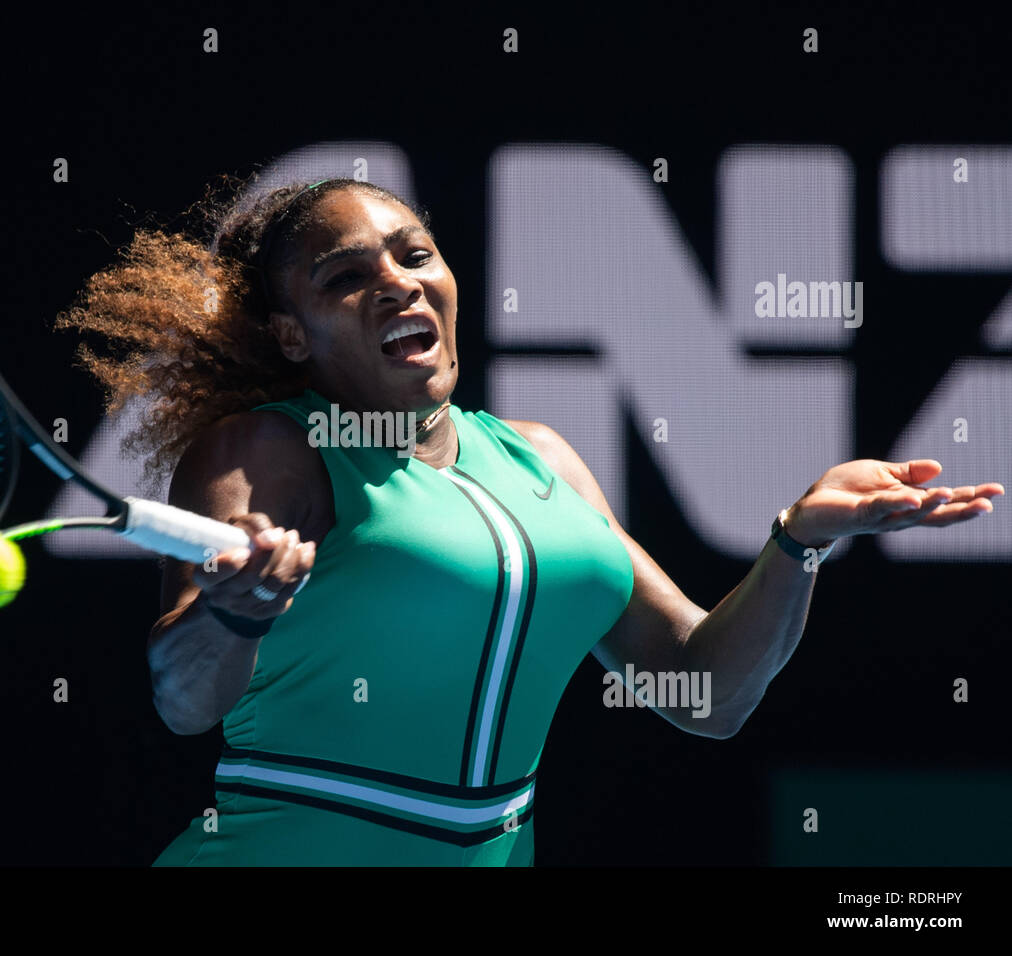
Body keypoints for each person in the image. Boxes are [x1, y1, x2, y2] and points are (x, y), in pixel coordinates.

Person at [56, 175, 1003, 866]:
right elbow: (184, 699)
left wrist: (800, 543)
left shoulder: (539, 457)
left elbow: (701, 695)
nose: (397, 282)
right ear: (293, 334)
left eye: (415, 254)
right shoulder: (266, 451)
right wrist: (235, 612)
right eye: (347, 276)